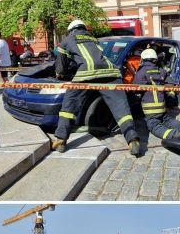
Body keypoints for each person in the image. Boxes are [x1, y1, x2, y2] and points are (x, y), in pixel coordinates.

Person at [52, 19, 140, 156]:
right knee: (121, 109)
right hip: (111, 72)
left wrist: (60, 74)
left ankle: (60, 140)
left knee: (69, 106)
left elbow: (61, 67)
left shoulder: (67, 40)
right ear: (84, 28)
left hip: (86, 74)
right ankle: (133, 140)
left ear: (71, 30)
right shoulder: (93, 39)